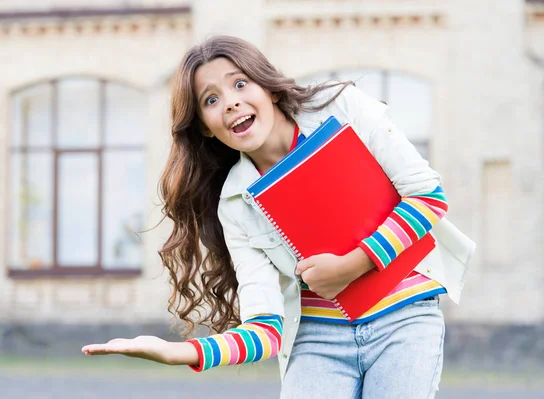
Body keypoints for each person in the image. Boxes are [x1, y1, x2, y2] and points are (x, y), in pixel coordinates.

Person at [81, 35, 475, 399]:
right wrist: (177, 352)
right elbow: (267, 330)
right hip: (317, 340)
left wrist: (353, 265)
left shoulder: (342, 109)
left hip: (405, 318)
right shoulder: (234, 204)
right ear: (204, 126)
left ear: (267, 87)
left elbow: (428, 196)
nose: (231, 102)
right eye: (210, 99)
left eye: (239, 84)